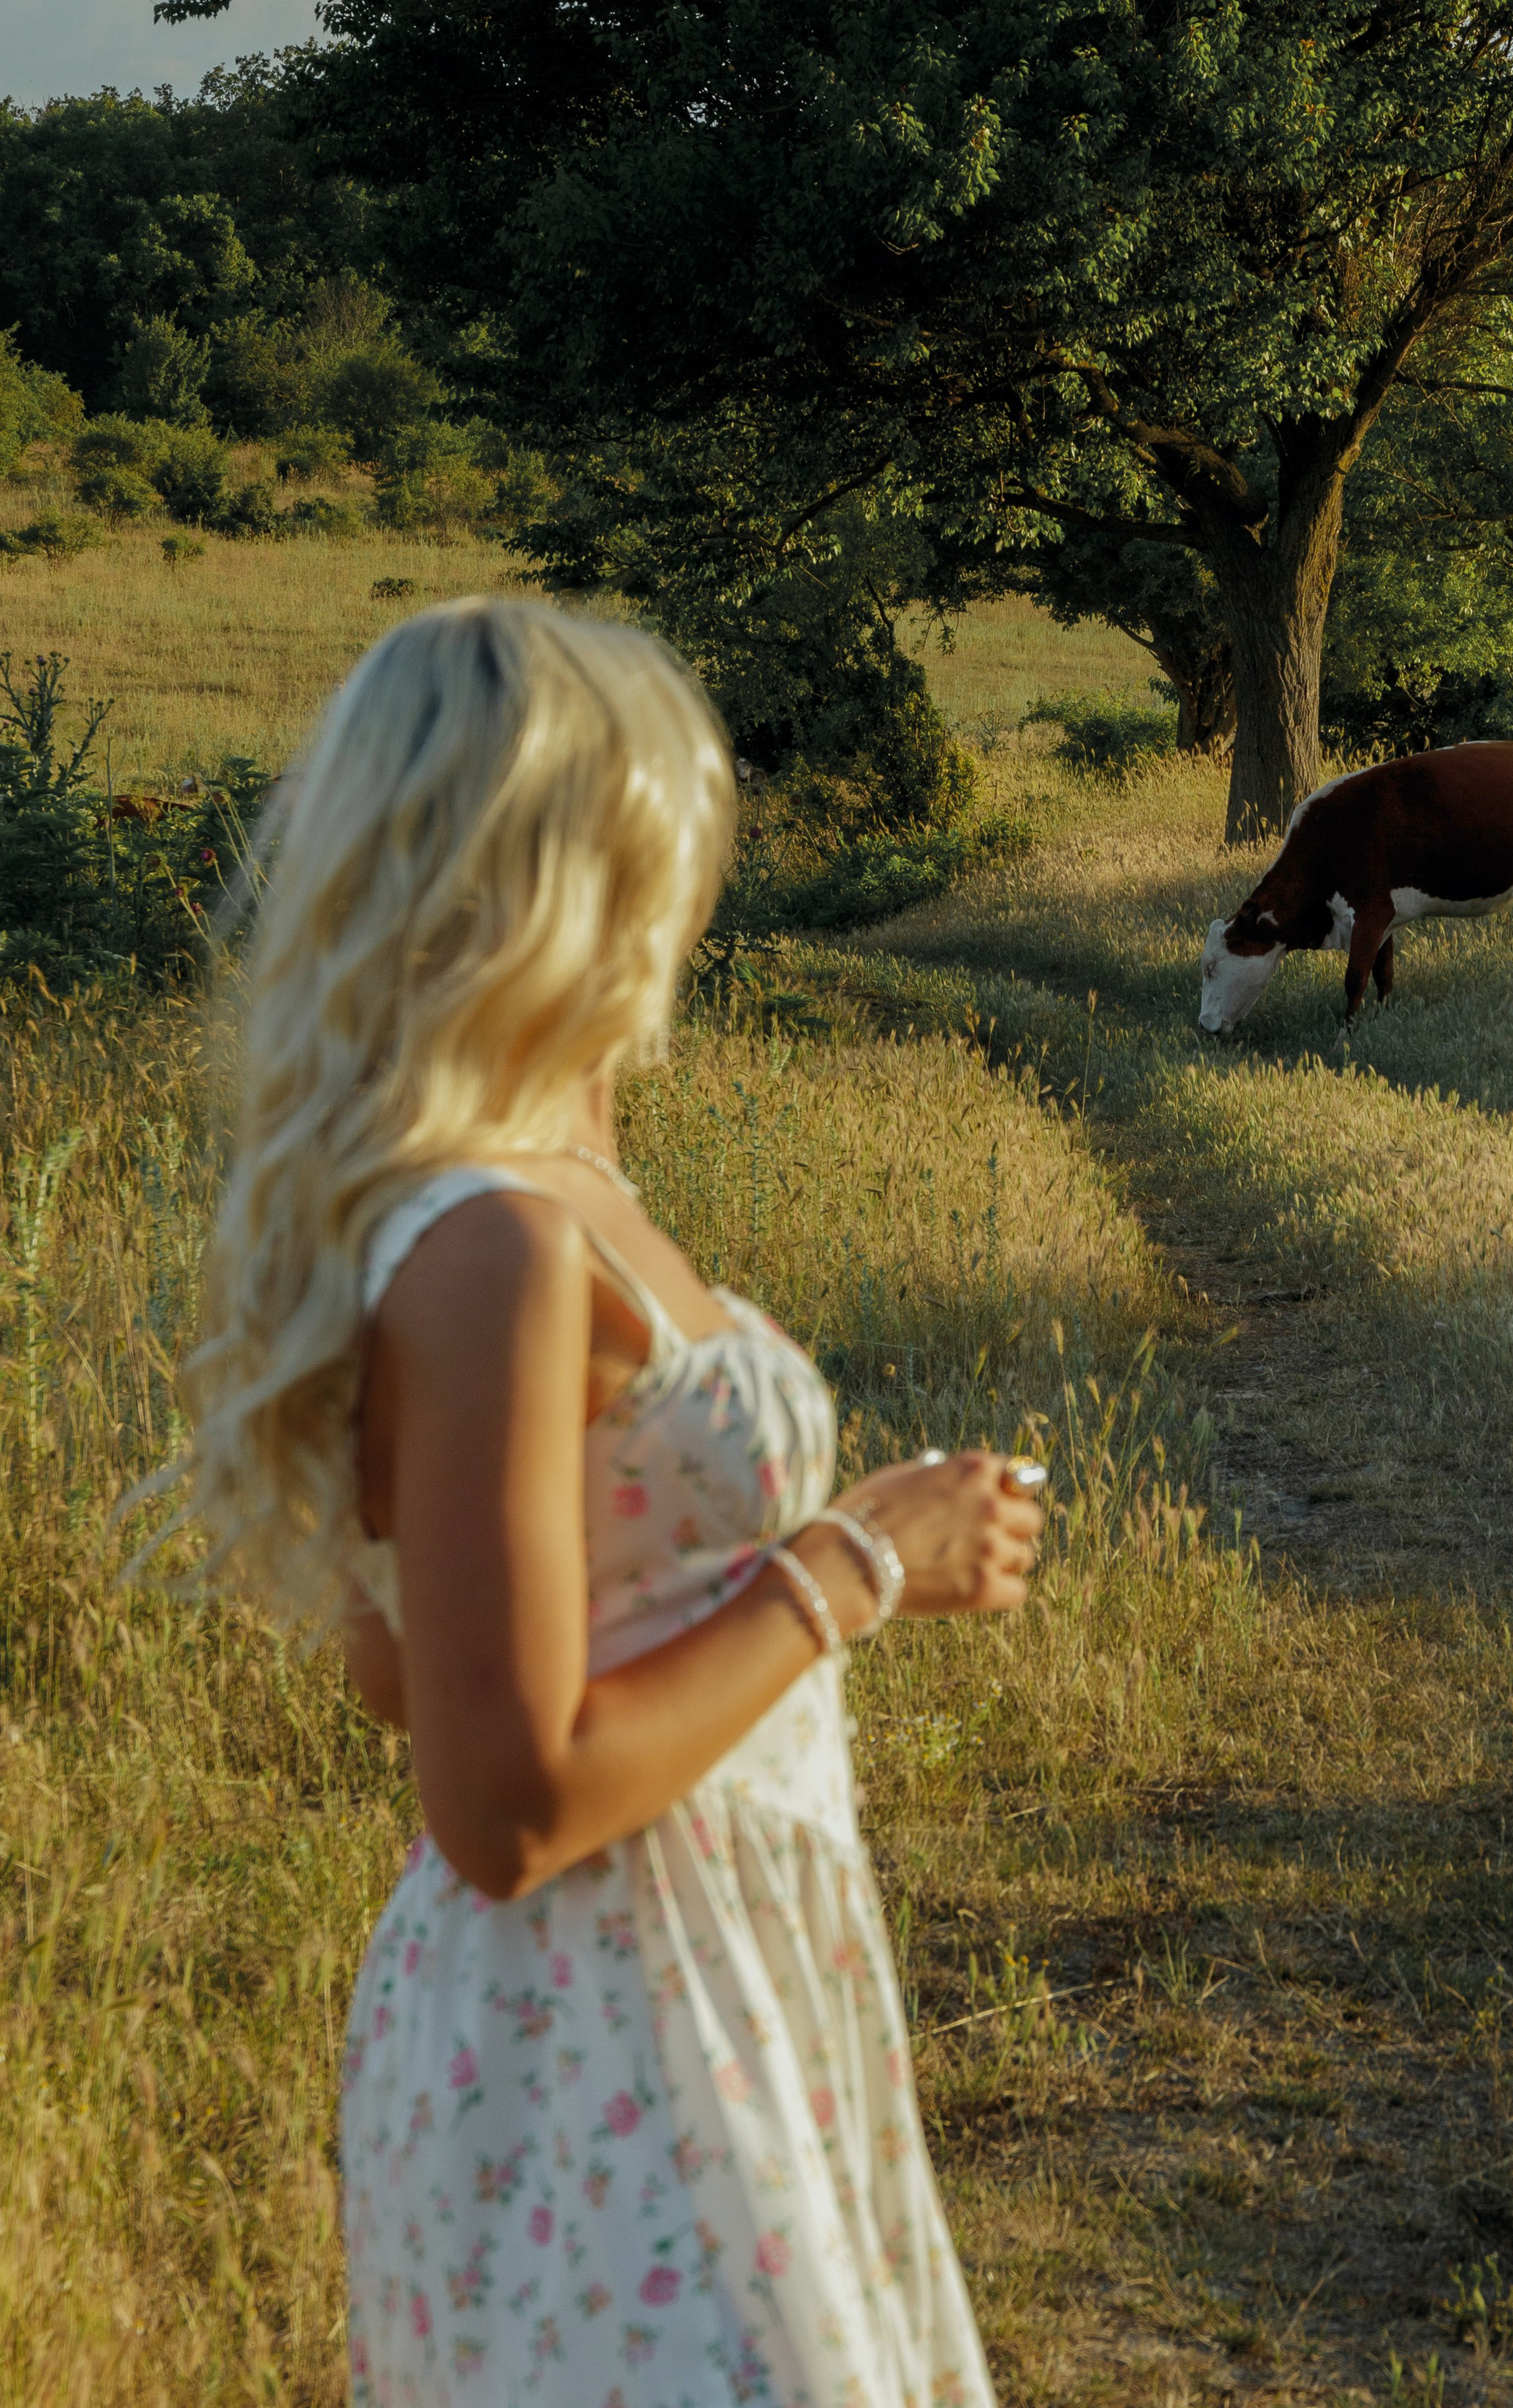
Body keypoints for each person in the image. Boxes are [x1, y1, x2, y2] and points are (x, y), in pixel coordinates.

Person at [167, 598, 1043, 2408]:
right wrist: (857, 1561)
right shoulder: (487, 1238)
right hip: (599, 2027)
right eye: (667, 841)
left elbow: (405, 1669)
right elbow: (502, 1801)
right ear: (581, 866)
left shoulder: (535, 1184)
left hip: (698, 1980)